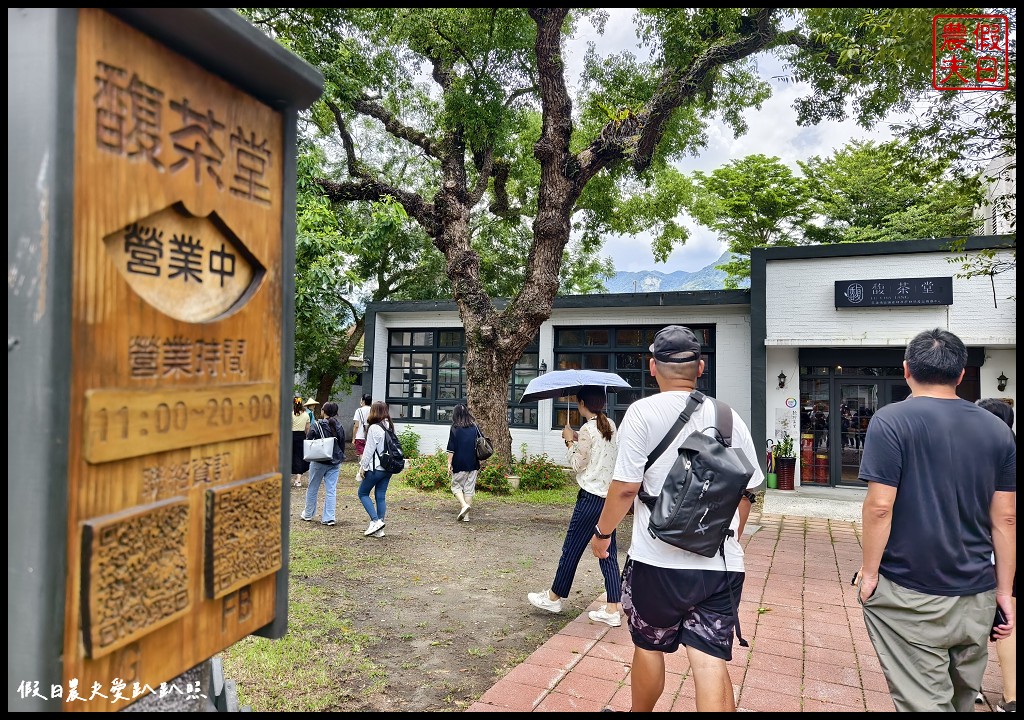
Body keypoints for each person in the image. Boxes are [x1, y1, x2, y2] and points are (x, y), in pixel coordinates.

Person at [589, 325, 763, 712]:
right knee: (710, 660)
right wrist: (727, 535)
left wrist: (602, 534)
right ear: (700, 368)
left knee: (649, 646)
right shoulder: (728, 416)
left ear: (653, 367)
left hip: (656, 561)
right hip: (719, 564)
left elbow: (624, 488)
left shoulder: (641, 413)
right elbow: (749, 490)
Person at [855, 329, 1016, 712]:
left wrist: (870, 573)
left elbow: (880, 506)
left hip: (910, 588)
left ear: (906, 370)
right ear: (961, 374)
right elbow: (1006, 518)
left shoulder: (891, 420)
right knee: (961, 697)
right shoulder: (998, 429)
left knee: (924, 701)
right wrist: (1004, 592)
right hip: (977, 589)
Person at [528, 386, 623, 626]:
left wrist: (570, 442)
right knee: (607, 551)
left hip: (590, 498)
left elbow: (577, 465)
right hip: (608, 499)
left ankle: (553, 597)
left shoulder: (587, 429)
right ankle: (613, 608)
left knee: (571, 549)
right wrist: (576, 438)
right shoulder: (610, 424)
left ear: (581, 403)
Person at [976, 397, 1016, 713]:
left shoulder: (978, 458)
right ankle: (1012, 696)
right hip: (1008, 546)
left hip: (984, 548)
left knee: (983, 616)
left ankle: (970, 684)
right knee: (1007, 621)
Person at [300, 401, 345, 526]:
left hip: (319, 461)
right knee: (331, 490)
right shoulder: (339, 426)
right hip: (334, 462)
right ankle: (329, 517)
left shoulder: (317, 425)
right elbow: (341, 446)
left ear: (323, 411)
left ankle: (308, 514)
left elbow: (309, 440)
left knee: (313, 487)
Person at [357, 400, 397, 538]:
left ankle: (375, 521)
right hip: (388, 468)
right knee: (380, 496)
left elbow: (369, 450)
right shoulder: (389, 426)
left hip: (376, 468)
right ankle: (380, 527)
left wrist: (363, 467)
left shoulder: (374, 428)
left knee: (362, 493)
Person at [446, 404, 481, 522]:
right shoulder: (474, 426)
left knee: (456, 487)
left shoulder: (455, 428)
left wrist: (449, 463)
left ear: (455, 414)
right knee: (469, 489)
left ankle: (463, 505)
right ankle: (466, 517)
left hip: (459, 463)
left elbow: (451, 448)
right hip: (473, 463)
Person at [290, 396, 311, 487]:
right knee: (300, 457)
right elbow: (308, 429)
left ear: (293, 404)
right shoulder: (306, 415)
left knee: (290, 456)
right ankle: (298, 480)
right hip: (301, 437)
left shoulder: (291, 414)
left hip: (291, 436)